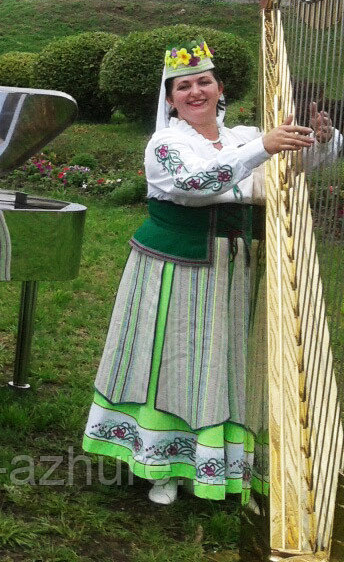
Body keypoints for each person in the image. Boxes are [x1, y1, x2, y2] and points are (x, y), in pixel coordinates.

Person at [82, 39, 339, 504]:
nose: (195, 91)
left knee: (222, 360)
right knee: (176, 361)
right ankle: (165, 466)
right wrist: (263, 146)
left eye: (204, 81)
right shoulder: (167, 143)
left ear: (220, 88)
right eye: (184, 86)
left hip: (233, 269)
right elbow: (195, 182)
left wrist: (318, 140)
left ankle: (220, 462)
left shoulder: (241, 135)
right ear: (170, 98)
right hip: (174, 271)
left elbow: (282, 169)